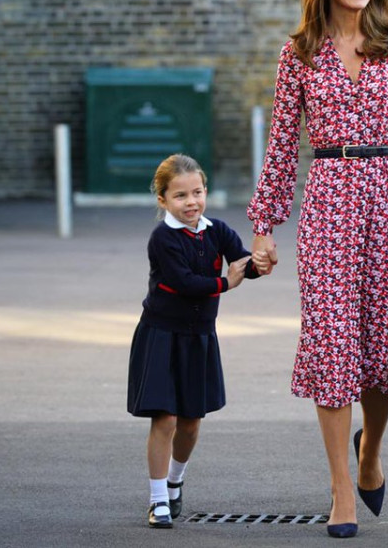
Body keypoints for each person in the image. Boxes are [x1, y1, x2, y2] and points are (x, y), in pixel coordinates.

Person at [246, 0, 388, 539]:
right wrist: (264, 226)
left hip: (383, 201)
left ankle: (370, 453)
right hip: (327, 203)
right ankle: (340, 490)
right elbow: (283, 146)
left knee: (382, 350)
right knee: (333, 345)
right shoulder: (299, 53)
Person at [127, 153, 262, 529]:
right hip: (161, 335)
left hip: (199, 337)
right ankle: (158, 499)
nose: (191, 202)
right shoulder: (162, 238)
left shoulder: (217, 230)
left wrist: (259, 263)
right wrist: (226, 283)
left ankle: (175, 482)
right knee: (165, 418)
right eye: (181, 195)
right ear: (163, 199)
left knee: (190, 422)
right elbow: (184, 283)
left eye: (197, 192)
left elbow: (242, 261)